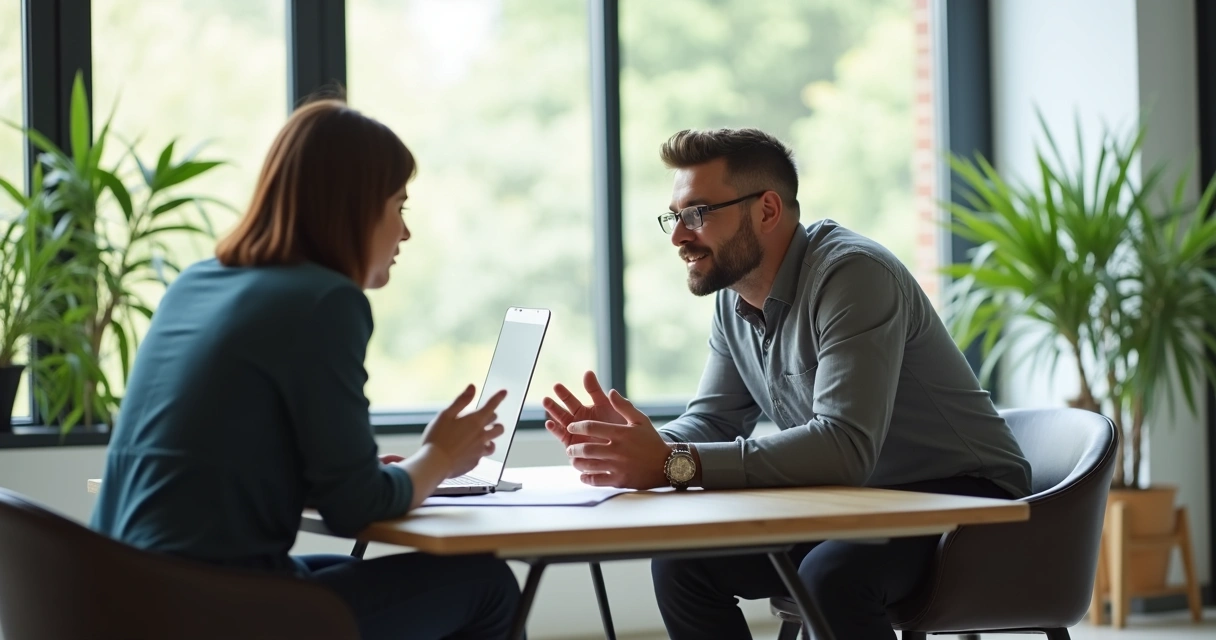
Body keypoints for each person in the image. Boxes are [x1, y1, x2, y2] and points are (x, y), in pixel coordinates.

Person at [542, 128, 1032, 640]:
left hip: (967, 502)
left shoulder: (853, 276)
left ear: (767, 211)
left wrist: (671, 464)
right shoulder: (734, 300)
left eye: (698, 214)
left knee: (832, 577)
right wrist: (634, 446)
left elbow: (844, 446)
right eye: (675, 216)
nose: (679, 236)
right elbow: (713, 419)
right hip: (863, 501)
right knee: (683, 564)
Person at [91, 99, 521, 640]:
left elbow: (228, 459)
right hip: (209, 611)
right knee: (487, 583)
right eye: (398, 206)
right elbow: (354, 510)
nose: (404, 233)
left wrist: (365, 471)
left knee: (357, 579)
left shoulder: (195, 283)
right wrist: (439, 457)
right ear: (354, 207)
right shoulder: (325, 302)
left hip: (115, 595)